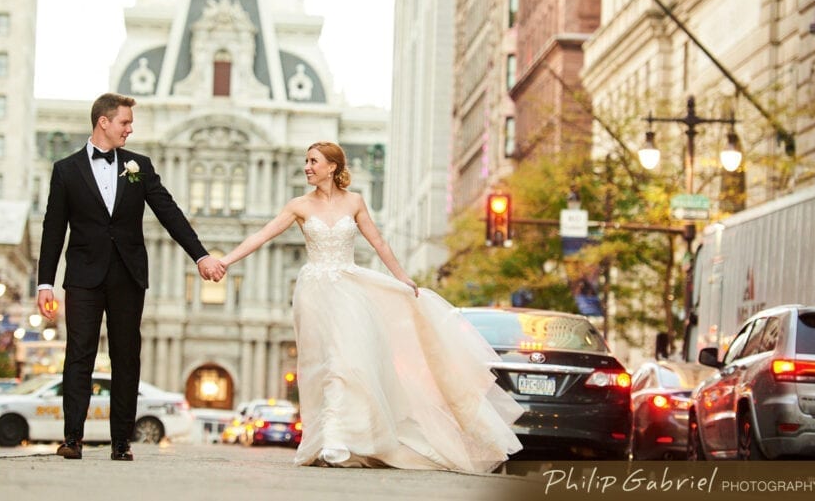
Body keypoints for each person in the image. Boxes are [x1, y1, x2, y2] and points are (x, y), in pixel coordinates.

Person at [219, 141, 522, 472]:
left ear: (332, 167)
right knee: (323, 364)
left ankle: (346, 438)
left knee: (350, 362)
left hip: (349, 291)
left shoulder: (355, 202)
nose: (307, 167)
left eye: (313, 161)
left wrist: (403, 279)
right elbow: (261, 236)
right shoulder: (299, 206)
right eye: (306, 161)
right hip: (314, 293)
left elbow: (379, 243)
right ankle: (328, 439)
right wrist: (224, 261)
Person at [37, 93, 225, 461]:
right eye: (125, 122)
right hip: (83, 278)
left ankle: (120, 442)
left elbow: (169, 212)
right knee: (79, 355)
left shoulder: (139, 165)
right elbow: (53, 229)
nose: (130, 128)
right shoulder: (66, 170)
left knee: (127, 356)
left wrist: (201, 255)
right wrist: (45, 282)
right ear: (103, 122)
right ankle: (72, 439)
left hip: (128, 276)